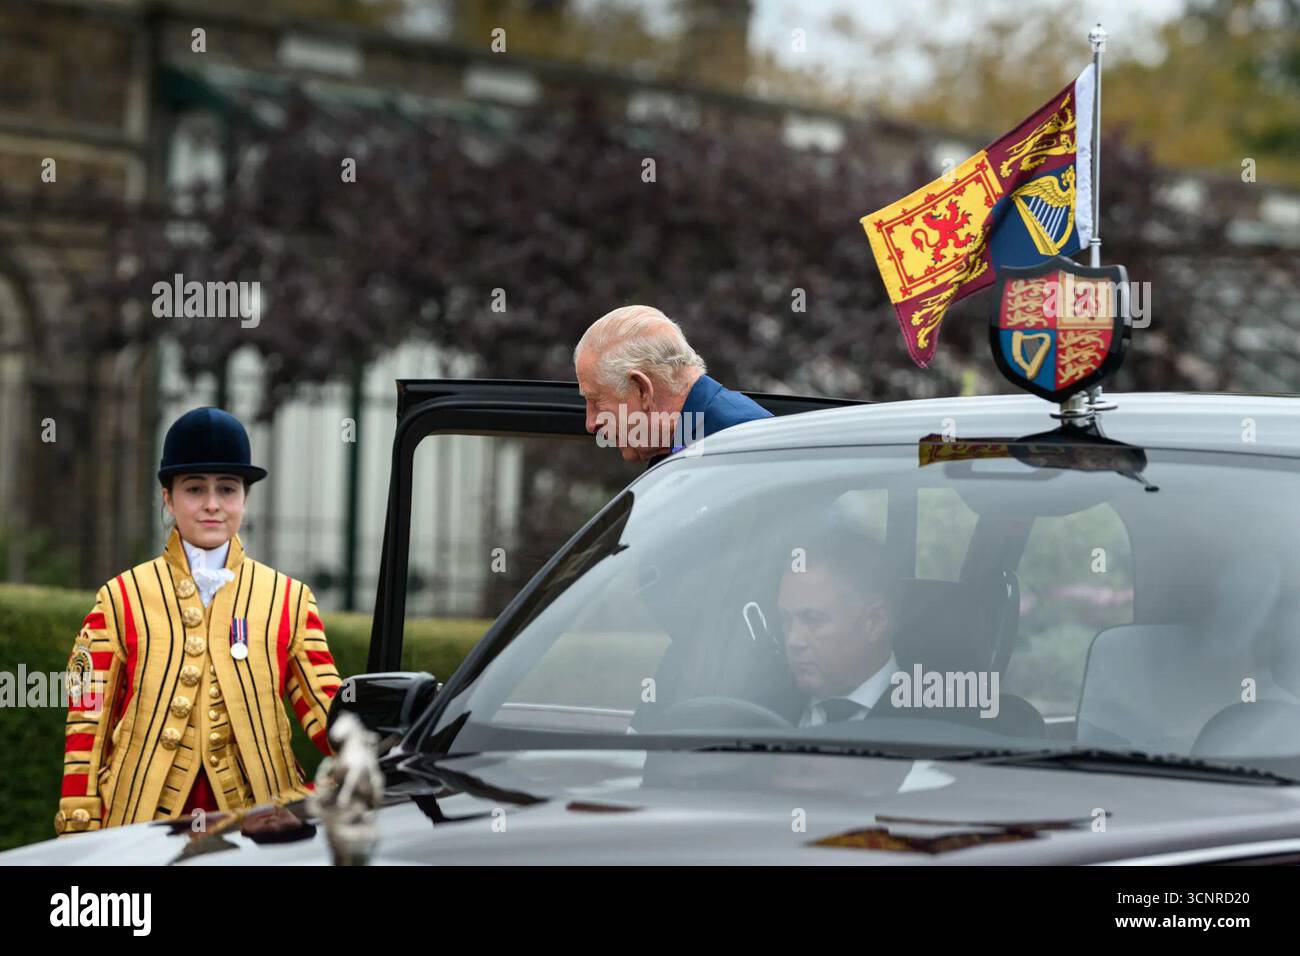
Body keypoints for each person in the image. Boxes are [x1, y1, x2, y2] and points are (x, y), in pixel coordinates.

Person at [53, 407, 342, 836]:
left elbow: (335, 721)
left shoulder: (290, 600)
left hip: (259, 831)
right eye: (194, 489)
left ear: (245, 497)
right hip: (139, 827)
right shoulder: (120, 599)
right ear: (168, 498)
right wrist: (81, 830)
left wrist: (322, 793)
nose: (212, 505)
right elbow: (87, 721)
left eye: (227, 489)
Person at [573, 305, 772, 466]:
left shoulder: (742, 442)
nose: (591, 424)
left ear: (642, 389)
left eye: (596, 401)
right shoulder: (683, 442)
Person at [776, 531, 899, 727]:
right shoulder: (759, 708)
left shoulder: (943, 724)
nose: (793, 640)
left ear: (874, 623)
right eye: (786, 619)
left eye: (813, 619)